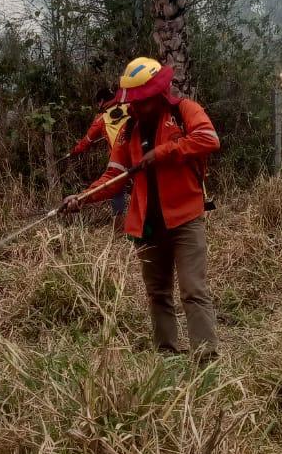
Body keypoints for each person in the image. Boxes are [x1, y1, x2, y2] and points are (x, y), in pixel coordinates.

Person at [61, 57, 222, 358]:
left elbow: (208, 138)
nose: (138, 107)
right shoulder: (128, 129)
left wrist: (164, 152)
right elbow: (114, 175)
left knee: (192, 290)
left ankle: (206, 359)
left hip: (186, 217)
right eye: (135, 101)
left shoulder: (184, 110)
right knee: (157, 293)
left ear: (158, 95)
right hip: (147, 223)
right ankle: (166, 354)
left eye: (143, 100)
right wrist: (82, 198)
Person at [68, 88, 132, 217]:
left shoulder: (101, 118)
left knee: (116, 188)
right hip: (140, 153)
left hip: (119, 159)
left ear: (102, 101)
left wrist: (73, 152)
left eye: (98, 103)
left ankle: (118, 228)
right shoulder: (130, 106)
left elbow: (87, 140)